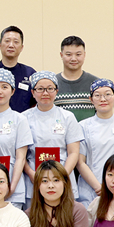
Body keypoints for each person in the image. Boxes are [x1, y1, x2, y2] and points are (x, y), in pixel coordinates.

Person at [23, 71, 84, 207]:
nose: (45, 93)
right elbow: (21, 154)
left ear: (56, 91)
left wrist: (61, 175)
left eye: (50, 88)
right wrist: (32, 174)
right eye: (40, 89)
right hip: (34, 178)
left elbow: (74, 152)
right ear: (33, 92)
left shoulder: (67, 117)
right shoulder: (23, 118)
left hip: (63, 176)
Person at [0, 69, 32, 210]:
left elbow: (20, 158)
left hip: (13, 183)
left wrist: (11, 187)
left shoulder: (19, 119)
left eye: (4, 87)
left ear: (12, 91)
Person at [0, 26, 36, 113]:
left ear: (22, 47)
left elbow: (35, 103)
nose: (11, 45)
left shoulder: (30, 73)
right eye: (7, 41)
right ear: (0, 45)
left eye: (16, 42)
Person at [54, 36, 99, 122]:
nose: (74, 59)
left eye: (78, 54)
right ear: (61, 55)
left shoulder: (95, 84)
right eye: (68, 54)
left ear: (84, 55)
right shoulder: (52, 84)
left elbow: (103, 113)